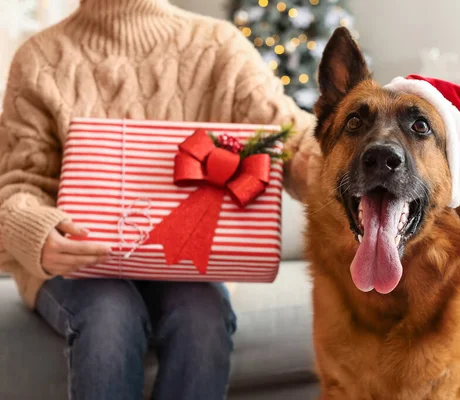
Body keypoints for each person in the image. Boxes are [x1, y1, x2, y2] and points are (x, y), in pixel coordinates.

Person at [0, 0, 319, 399]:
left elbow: (290, 135)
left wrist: (335, 159)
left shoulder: (218, 45)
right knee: (108, 317)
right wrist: (37, 232)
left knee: (202, 318)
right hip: (77, 262)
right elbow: (16, 186)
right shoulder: (38, 58)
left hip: (189, 261)